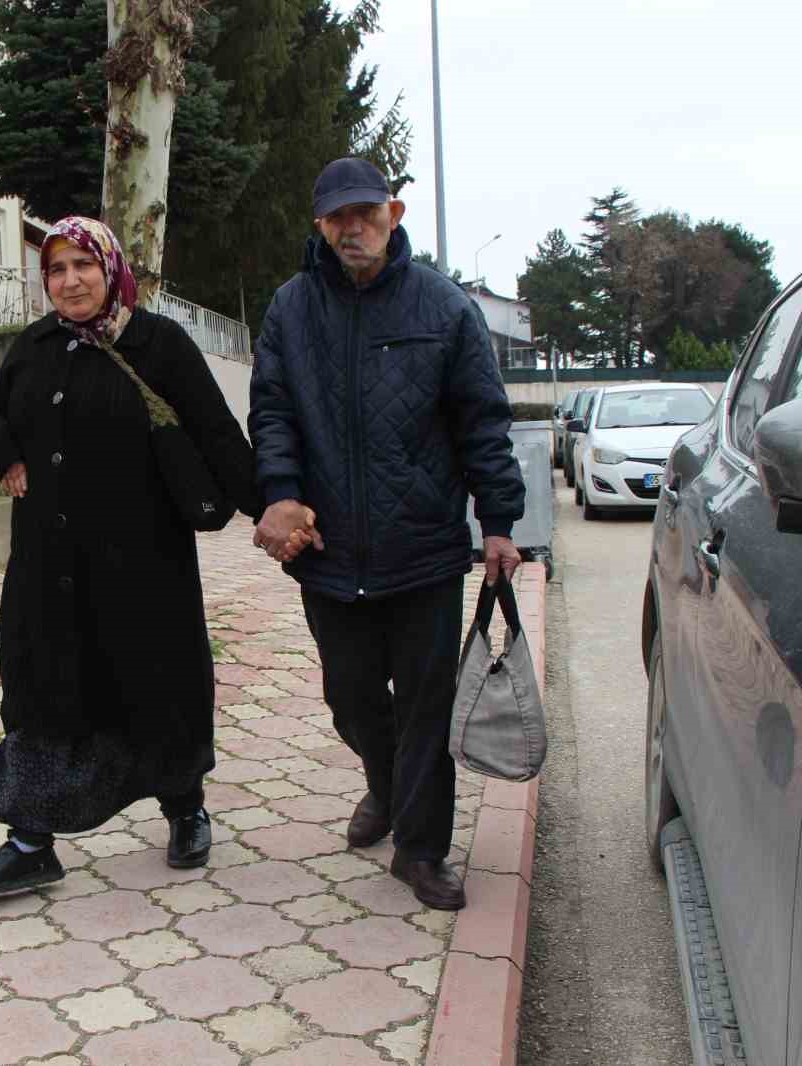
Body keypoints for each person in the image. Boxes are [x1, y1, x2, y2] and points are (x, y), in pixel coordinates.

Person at [248, 158, 526, 910]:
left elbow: (482, 422)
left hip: (425, 549)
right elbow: (272, 411)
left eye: (366, 213)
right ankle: (386, 783)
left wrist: (498, 522)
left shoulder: (444, 307)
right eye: (338, 216)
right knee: (353, 698)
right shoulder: (292, 309)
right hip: (330, 553)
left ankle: (421, 847)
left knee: (427, 705)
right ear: (320, 225)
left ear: (394, 215)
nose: (353, 227)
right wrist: (278, 495)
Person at [0, 216, 260, 897]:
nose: (70, 281)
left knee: (156, 686)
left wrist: (271, 509)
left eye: (82, 266)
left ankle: (185, 810)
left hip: (141, 567)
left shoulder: (158, 344)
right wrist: (2, 451)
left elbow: (214, 428)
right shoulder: (33, 347)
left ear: (112, 269)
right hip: (46, 568)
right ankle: (31, 841)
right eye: (57, 270)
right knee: (41, 690)